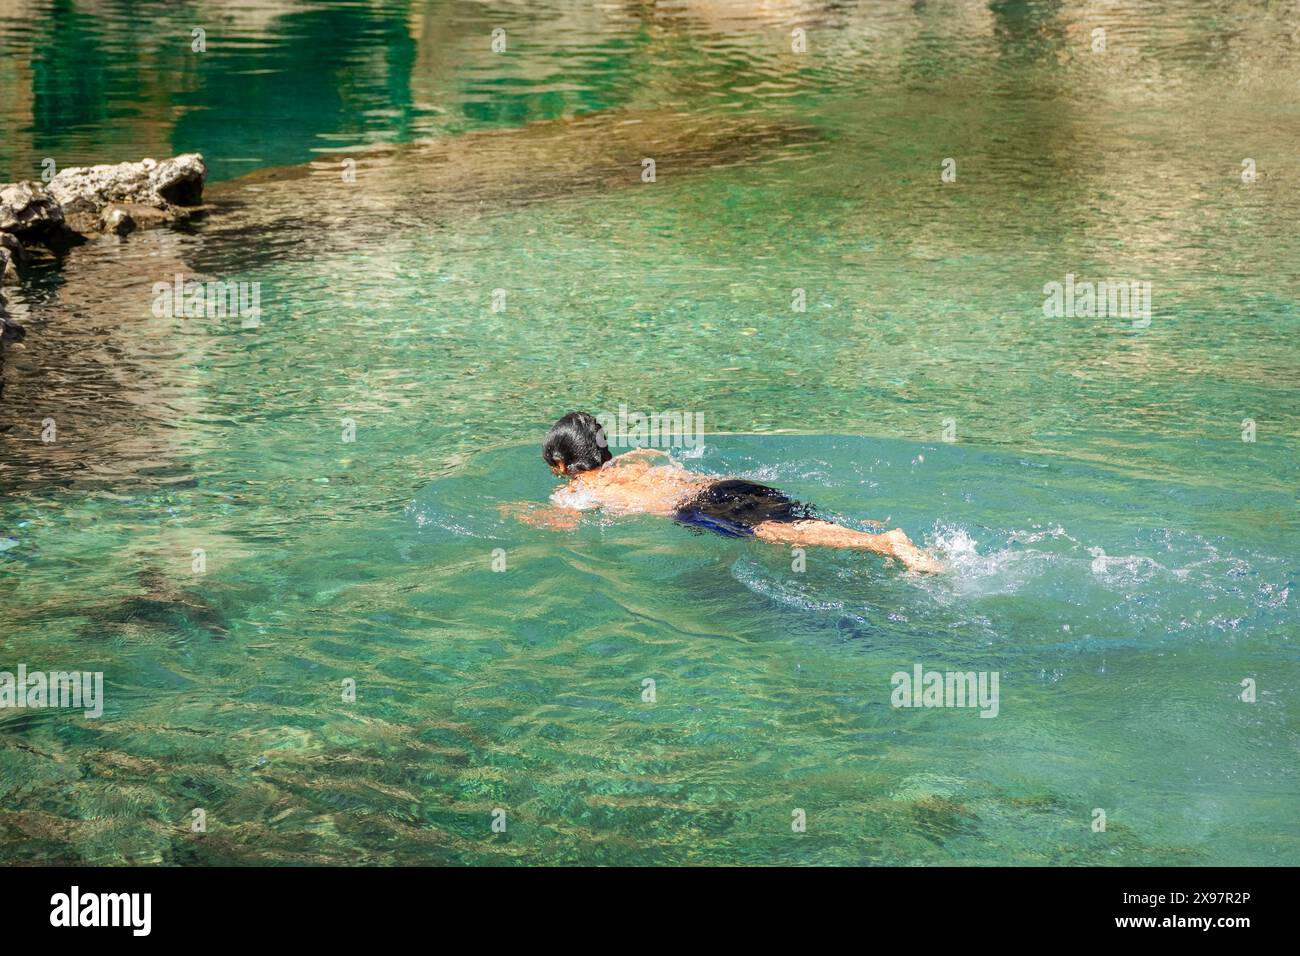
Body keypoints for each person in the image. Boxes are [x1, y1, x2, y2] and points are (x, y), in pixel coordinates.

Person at [504, 411, 943, 573]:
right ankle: (862, 528)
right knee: (792, 515)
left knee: (777, 534)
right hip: (720, 485)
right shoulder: (632, 462)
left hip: (694, 507)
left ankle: (883, 543)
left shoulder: (577, 490)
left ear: (562, 465)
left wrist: (516, 516)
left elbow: (561, 526)